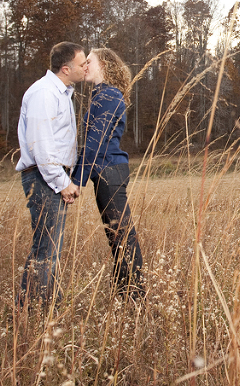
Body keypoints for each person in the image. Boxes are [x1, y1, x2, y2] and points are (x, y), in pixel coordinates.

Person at [15, 41, 87, 311]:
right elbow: (41, 146)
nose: (86, 68)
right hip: (44, 178)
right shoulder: (44, 94)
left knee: (48, 248)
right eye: (82, 64)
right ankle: (36, 310)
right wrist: (62, 182)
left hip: (51, 177)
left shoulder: (62, 93)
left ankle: (36, 308)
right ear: (66, 69)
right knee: (46, 250)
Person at [71, 48, 144, 298]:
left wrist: (76, 181)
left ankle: (135, 297)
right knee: (118, 239)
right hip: (106, 172)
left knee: (123, 238)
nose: (84, 66)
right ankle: (124, 295)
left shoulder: (109, 95)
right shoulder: (101, 95)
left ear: (103, 64)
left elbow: (95, 141)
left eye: (88, 61)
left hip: (109, 173)